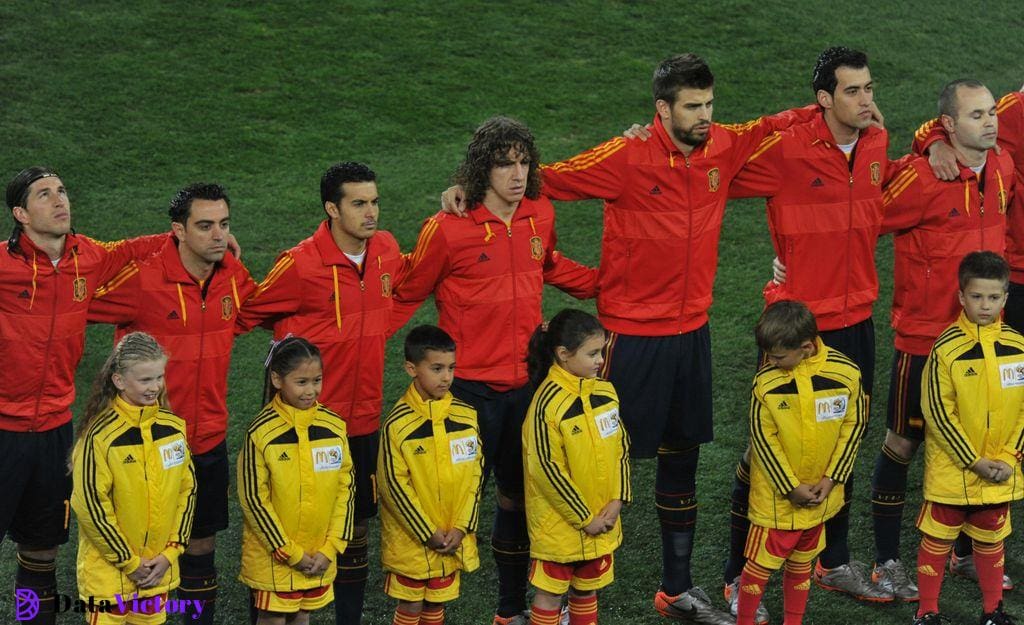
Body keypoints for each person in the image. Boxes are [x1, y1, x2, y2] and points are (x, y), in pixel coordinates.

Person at [441, 55, 819, 624]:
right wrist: (464, 190)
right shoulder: (625, 155)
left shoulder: (723, 145)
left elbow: (774, 124)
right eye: (692, 106)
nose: (704, 116)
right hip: (629, 338)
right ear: (661, 109)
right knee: (591, 464)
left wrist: (841, 112)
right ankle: (562, 601)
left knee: (681, 460)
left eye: (709, 104)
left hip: (691, 332)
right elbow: (548, 181)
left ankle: (677, 590)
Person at [721, 47, 910, 609]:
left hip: (856, 322)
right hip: (796, 327)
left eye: (869, 88)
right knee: (763, 455)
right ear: (823, 98)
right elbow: (710, 168)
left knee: (842, 445)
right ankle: (737, 575)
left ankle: (832, 563)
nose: (866, 100)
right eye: (852, 91)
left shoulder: (876, 141)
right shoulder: (788, 148)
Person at [394, 116, 597, 625]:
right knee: (450, 506)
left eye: (523, 162)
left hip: (526, 388)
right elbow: (408, 285)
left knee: (518, 498)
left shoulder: (539, 214)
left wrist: (608, 282)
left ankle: (510, 611)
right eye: (505, 163)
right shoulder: (447, 228)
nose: (517, 173)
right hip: (465, 393)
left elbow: (548, 264)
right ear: (482, 169)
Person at [864, 79, 1013, 602]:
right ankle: (886, 561)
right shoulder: (920, 177)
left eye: (991, 112)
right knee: (903, 443)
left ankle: (966, 554)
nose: (990, 123)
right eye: (976, 116)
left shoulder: (1004, 168)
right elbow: (860, 222)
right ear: (949, 126)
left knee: (981, 439)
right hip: (925, 339)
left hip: (984, 341)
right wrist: (788, 262)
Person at [237, 162, 405, 624]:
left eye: (374, 202)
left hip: (363, 418)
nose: (370, 212)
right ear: (332, 208)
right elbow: (246, 311)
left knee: (354, 530)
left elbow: (409, 283)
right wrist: (224, 262)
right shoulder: (300, 264)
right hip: (302, 426)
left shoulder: (387, 250)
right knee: (286, 528)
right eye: (358, 203)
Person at [1, 167, 169, 625]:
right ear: (20, 213)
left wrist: (186, 237)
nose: (59, 201)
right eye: (43, 194)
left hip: (56, 429)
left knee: (41, 551)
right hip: (2, 430)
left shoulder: (88, 256)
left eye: (61, 191)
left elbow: (137, 248)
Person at [88, 182, 257, 625]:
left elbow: (251, 311)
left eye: (223, 224)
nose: (218, 235)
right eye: (204, 226)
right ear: (177, 231)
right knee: (136, 552)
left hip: (206, 439)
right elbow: (74, 302)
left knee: (201, 546)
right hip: (143, 448)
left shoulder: (233, 277)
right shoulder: (142, 279)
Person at [911, 85, 1024, 589]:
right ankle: (962, 543)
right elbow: (946, 125)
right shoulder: (1012, 111)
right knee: (990, 400)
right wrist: (933, 141)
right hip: (1012, 278)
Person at [738, 300, 866, 625]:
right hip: (776, 504)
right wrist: (790, 487)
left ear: (807, 347)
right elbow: (763, 441)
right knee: (759, 567)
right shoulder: (766, 383)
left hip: (820, 498)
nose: (769, 362)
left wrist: (833, 478)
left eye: (778, 356)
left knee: (802, 565)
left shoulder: (846, 374)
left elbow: (854, 428)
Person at [913, 251, 1024, 625]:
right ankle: (927, 612)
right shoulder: (945, 349)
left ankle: (993, 612)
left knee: (992, 541)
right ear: (961, 297)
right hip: (954, 472)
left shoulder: (1018, 347)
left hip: (1001, 469)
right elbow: (937, 413)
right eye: (977, 296)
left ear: (1006, 298)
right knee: (937, 541)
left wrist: (1010, 457)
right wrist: (974, 461)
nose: (985, 305)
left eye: (994, 297)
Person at [70, 332, 197, 625]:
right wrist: (129, 562)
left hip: (158, 568)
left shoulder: (173, 428)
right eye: (145, 380)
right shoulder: (99, 436)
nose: (155, 387)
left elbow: (187, 492)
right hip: (109, 574)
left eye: (159, 377)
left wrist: (171, 552)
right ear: (119, 381)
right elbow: (90, 506)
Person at [521, 309, 630, 625]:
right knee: (550, 594)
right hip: (560, 527)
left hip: (602, 518)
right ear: (563, 354)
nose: (600, 360)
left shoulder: (606, 393)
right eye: (593, 353)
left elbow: (621, 448)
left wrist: (617, 499)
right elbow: (546, 470)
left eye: (602, 352)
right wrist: (585, 519)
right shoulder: (546, 406)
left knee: (586, 590)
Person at [238, 337, 355, 625]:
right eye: (301, 382)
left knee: (303, 617)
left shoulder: (334, 426)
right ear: (277, 379)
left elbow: (346, 489)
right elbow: (254, 500)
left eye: (317, 380)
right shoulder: (260, 433)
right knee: (274, 619)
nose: (311, 390)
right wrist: (289, 552)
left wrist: (331, 548)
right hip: (274, 559)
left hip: (319, 555)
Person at [378, 325, 484, 625]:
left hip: (452, 533)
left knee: (437, 604)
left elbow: (475, 477)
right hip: (413, 541)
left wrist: (462, 527)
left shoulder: (466, 416)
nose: (446, 377)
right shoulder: (398, 425)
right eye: (436, 368)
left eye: (451, 368)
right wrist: (428, 532)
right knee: (411, 607)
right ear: (412, 368)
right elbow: (393, 488)